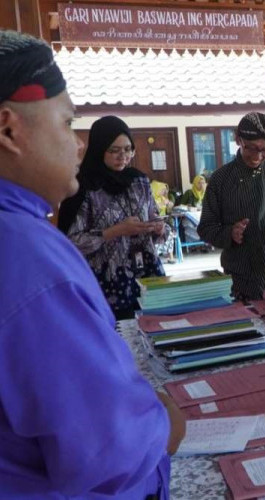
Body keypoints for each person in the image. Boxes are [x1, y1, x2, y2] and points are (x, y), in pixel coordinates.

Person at [0, 30, 184, 498]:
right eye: (66, 124)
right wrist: (164, 422)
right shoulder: (26, 256)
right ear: (8, 130)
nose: (77, 146)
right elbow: (110, 449)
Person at [58, 116, 169, 320]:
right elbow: (69, 243)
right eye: (114, 150)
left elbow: (157, 221)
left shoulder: (139, 181)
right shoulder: (83, 187)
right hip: (105, 284)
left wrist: (159, 229)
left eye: (128, 149)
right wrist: (115, 231)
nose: (122, 156)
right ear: (99, 149)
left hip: (147, 276)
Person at [198, 112, 265, 300]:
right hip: (238, 280)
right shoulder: (220, 179)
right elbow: (206, 227)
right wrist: (229, 233)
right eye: (252, 148)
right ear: (238, 140)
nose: (257, 156)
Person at [151, 179, 177, 264]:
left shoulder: (163, 198)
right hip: (153, 222)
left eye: (164, 190)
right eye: (162, 189)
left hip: (164, 221)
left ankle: (170, 256)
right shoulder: (151, 199)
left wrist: (169, 204)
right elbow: (152, 211)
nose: (164, 191)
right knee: (161, 231)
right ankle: (156, 255)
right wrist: (162, 204)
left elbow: (169, 211)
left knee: (169, 232)